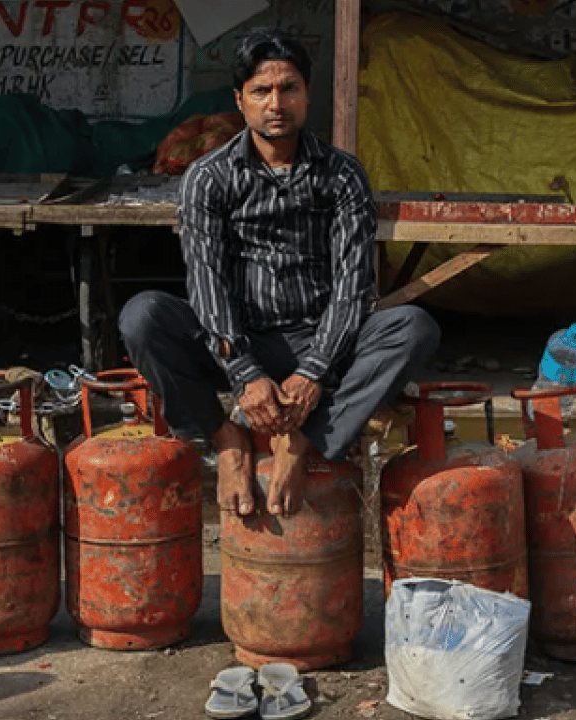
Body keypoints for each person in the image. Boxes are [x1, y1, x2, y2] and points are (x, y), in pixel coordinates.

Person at [119, 28, 440, 519]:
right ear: (240, 100)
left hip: (320, 339)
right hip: (235, 341)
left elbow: (353, 285)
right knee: (142, 317)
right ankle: (225, 439)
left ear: (307, 94)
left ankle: (302, 443)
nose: (276, 103)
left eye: (288, 88)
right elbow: (206, 283)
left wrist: (314, 370)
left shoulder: (342, 174)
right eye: (261, 91)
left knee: (413, 328)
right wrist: (244, 373)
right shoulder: (208, 178)